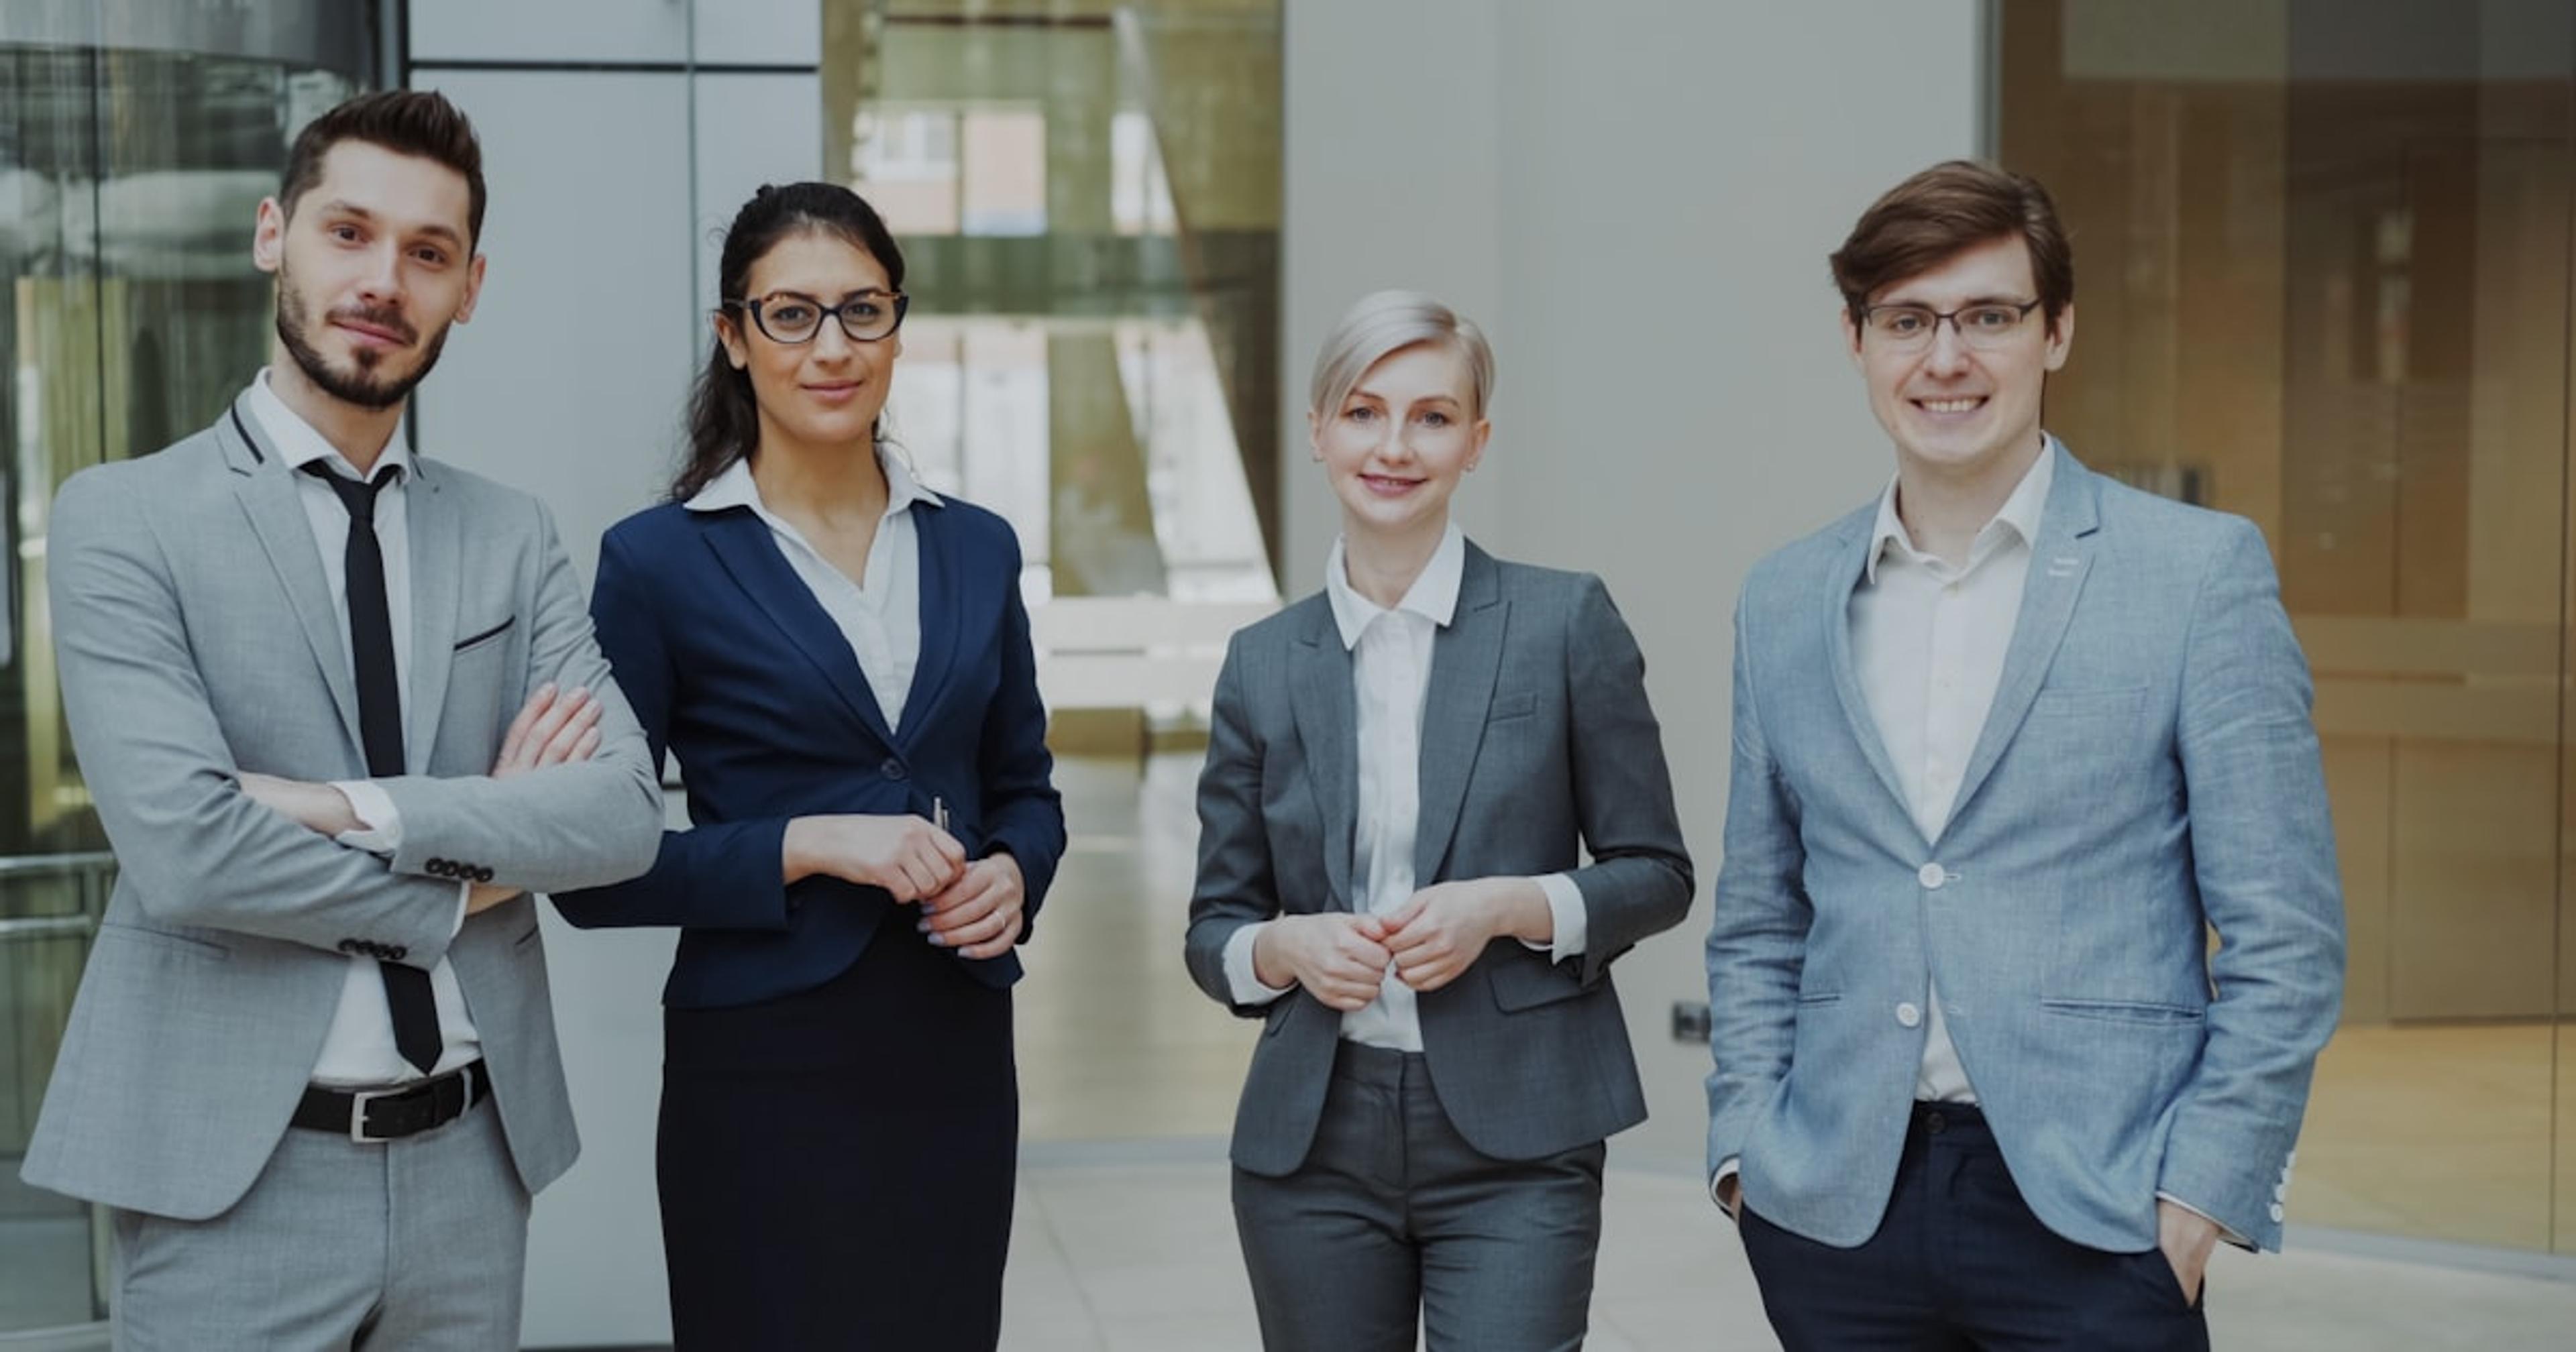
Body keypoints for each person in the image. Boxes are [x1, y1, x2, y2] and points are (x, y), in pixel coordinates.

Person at [21, 89, 665, 1349]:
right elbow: (187, 848)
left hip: (474, 1162)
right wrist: (472, 874)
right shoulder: (124, 518)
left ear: (469, 287)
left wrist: (343, 810)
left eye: (427, 253)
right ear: (276, 235)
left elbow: (620, 814)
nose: (384, 280)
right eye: (349, 233)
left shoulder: (510, 533)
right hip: (236, 1181)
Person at [1705, 160, 2347, 1350]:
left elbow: (2286, 935)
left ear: (2056, 332)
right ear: (1856, 340)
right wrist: (1749, 1151)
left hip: (2100, 1217)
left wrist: (2202, 1192)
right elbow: (1759, 916)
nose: (1945, 358)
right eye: (1908, 320)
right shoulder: (1784, 597)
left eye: (1987, 317)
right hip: (1837, 1213)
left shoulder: (2196, 576)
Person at [551, 181, 1065, 1351]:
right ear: (735, 337)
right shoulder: (657, 563)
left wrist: (1015, 875)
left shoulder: (977, 546)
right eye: (792, 315)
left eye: (861, 311)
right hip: (763, 1071)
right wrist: (810, 843)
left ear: (897, 324)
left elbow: (1027, 790)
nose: (831, 347)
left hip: (953, 1054)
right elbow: (593, 871)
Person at [1183, 290, 1693, 1351]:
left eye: (1432, 417)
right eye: (1364, 413)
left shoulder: (1564, 621)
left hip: (1521, 1138)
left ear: (1476, 441)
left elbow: (1655, 871)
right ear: (1319, 433)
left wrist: (1510, 907)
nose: (1395, 446)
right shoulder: (1263, 664)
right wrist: (1282, 947)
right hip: (1311, 1141)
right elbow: (1214, 928)